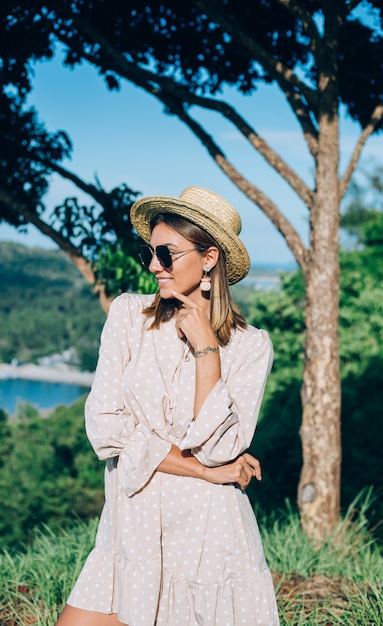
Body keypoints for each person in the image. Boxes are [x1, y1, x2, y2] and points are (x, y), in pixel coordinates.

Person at [56, 187, 280, 626]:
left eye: (166, 253)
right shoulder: (128, 316)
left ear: (209, 258)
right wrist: (200, 469)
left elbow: (220, 449)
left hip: (208, 541)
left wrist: (206, 350)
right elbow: (104, 427)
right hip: (131, 527)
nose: (154, 265)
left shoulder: (252, 346)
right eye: (150, 253)